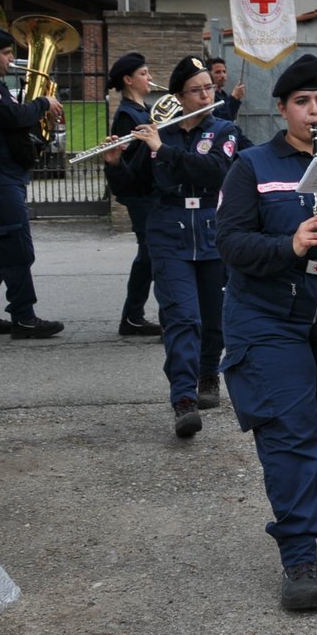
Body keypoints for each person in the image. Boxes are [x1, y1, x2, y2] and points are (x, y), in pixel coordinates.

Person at [216, 54, 317, 611]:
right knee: (288, 429)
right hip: (267, 316)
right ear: (282, 109)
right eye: (303, 103)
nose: (315, 112)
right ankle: (299, 552)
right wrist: (291, 244)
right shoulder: (253, 166)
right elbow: (230, 244)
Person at [105, 56, 240, 438]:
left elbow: (215, 171)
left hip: (214, 230)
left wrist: (161, 150)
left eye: (208, 89)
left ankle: (208, 372)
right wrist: (116, 164)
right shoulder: (158, 132)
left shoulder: (225, 129)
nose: (205, 95)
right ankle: (183, 399)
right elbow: (132, 188)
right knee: (182, 318)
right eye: (196, 90)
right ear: (179, 96)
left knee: (214, 317)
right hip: (168, 232)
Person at [0, 27, 64, 339]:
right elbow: (15, 117)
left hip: (2, 174)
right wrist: (43, 104)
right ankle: (23, 316)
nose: (11, 59)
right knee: (15, 246)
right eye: (7, 54)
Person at [106, 52, 162, 338]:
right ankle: (132, 317)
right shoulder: (128, 115)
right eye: (144, 73)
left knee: (148, 254)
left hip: (150, 191)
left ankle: (133, 316)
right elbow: (130, 163)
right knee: (150, 254)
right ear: (128, 80)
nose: (150, 77)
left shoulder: (144, 110)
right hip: (140, 193)